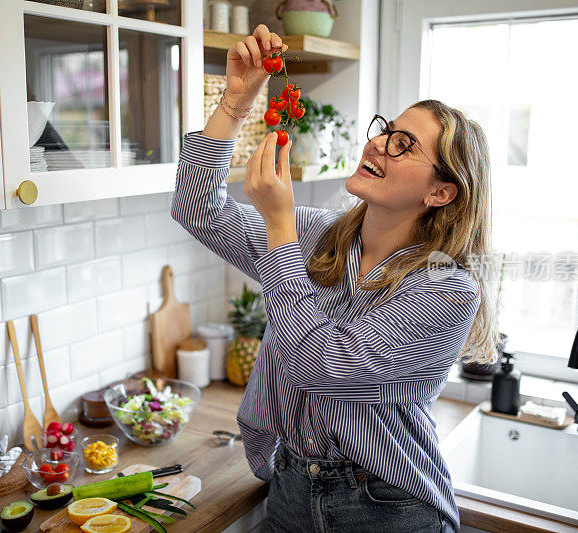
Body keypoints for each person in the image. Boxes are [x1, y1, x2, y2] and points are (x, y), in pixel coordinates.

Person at [170, 23, 498, 533]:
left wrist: (279, 229)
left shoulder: (446, 288)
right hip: (290, 492)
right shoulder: (318, 234)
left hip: (386, 509)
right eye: (386, 130)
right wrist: (238, 100)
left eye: (404, 144)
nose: (378, 145)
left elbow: (319, 367)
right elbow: (197, 209)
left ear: (440, 192)